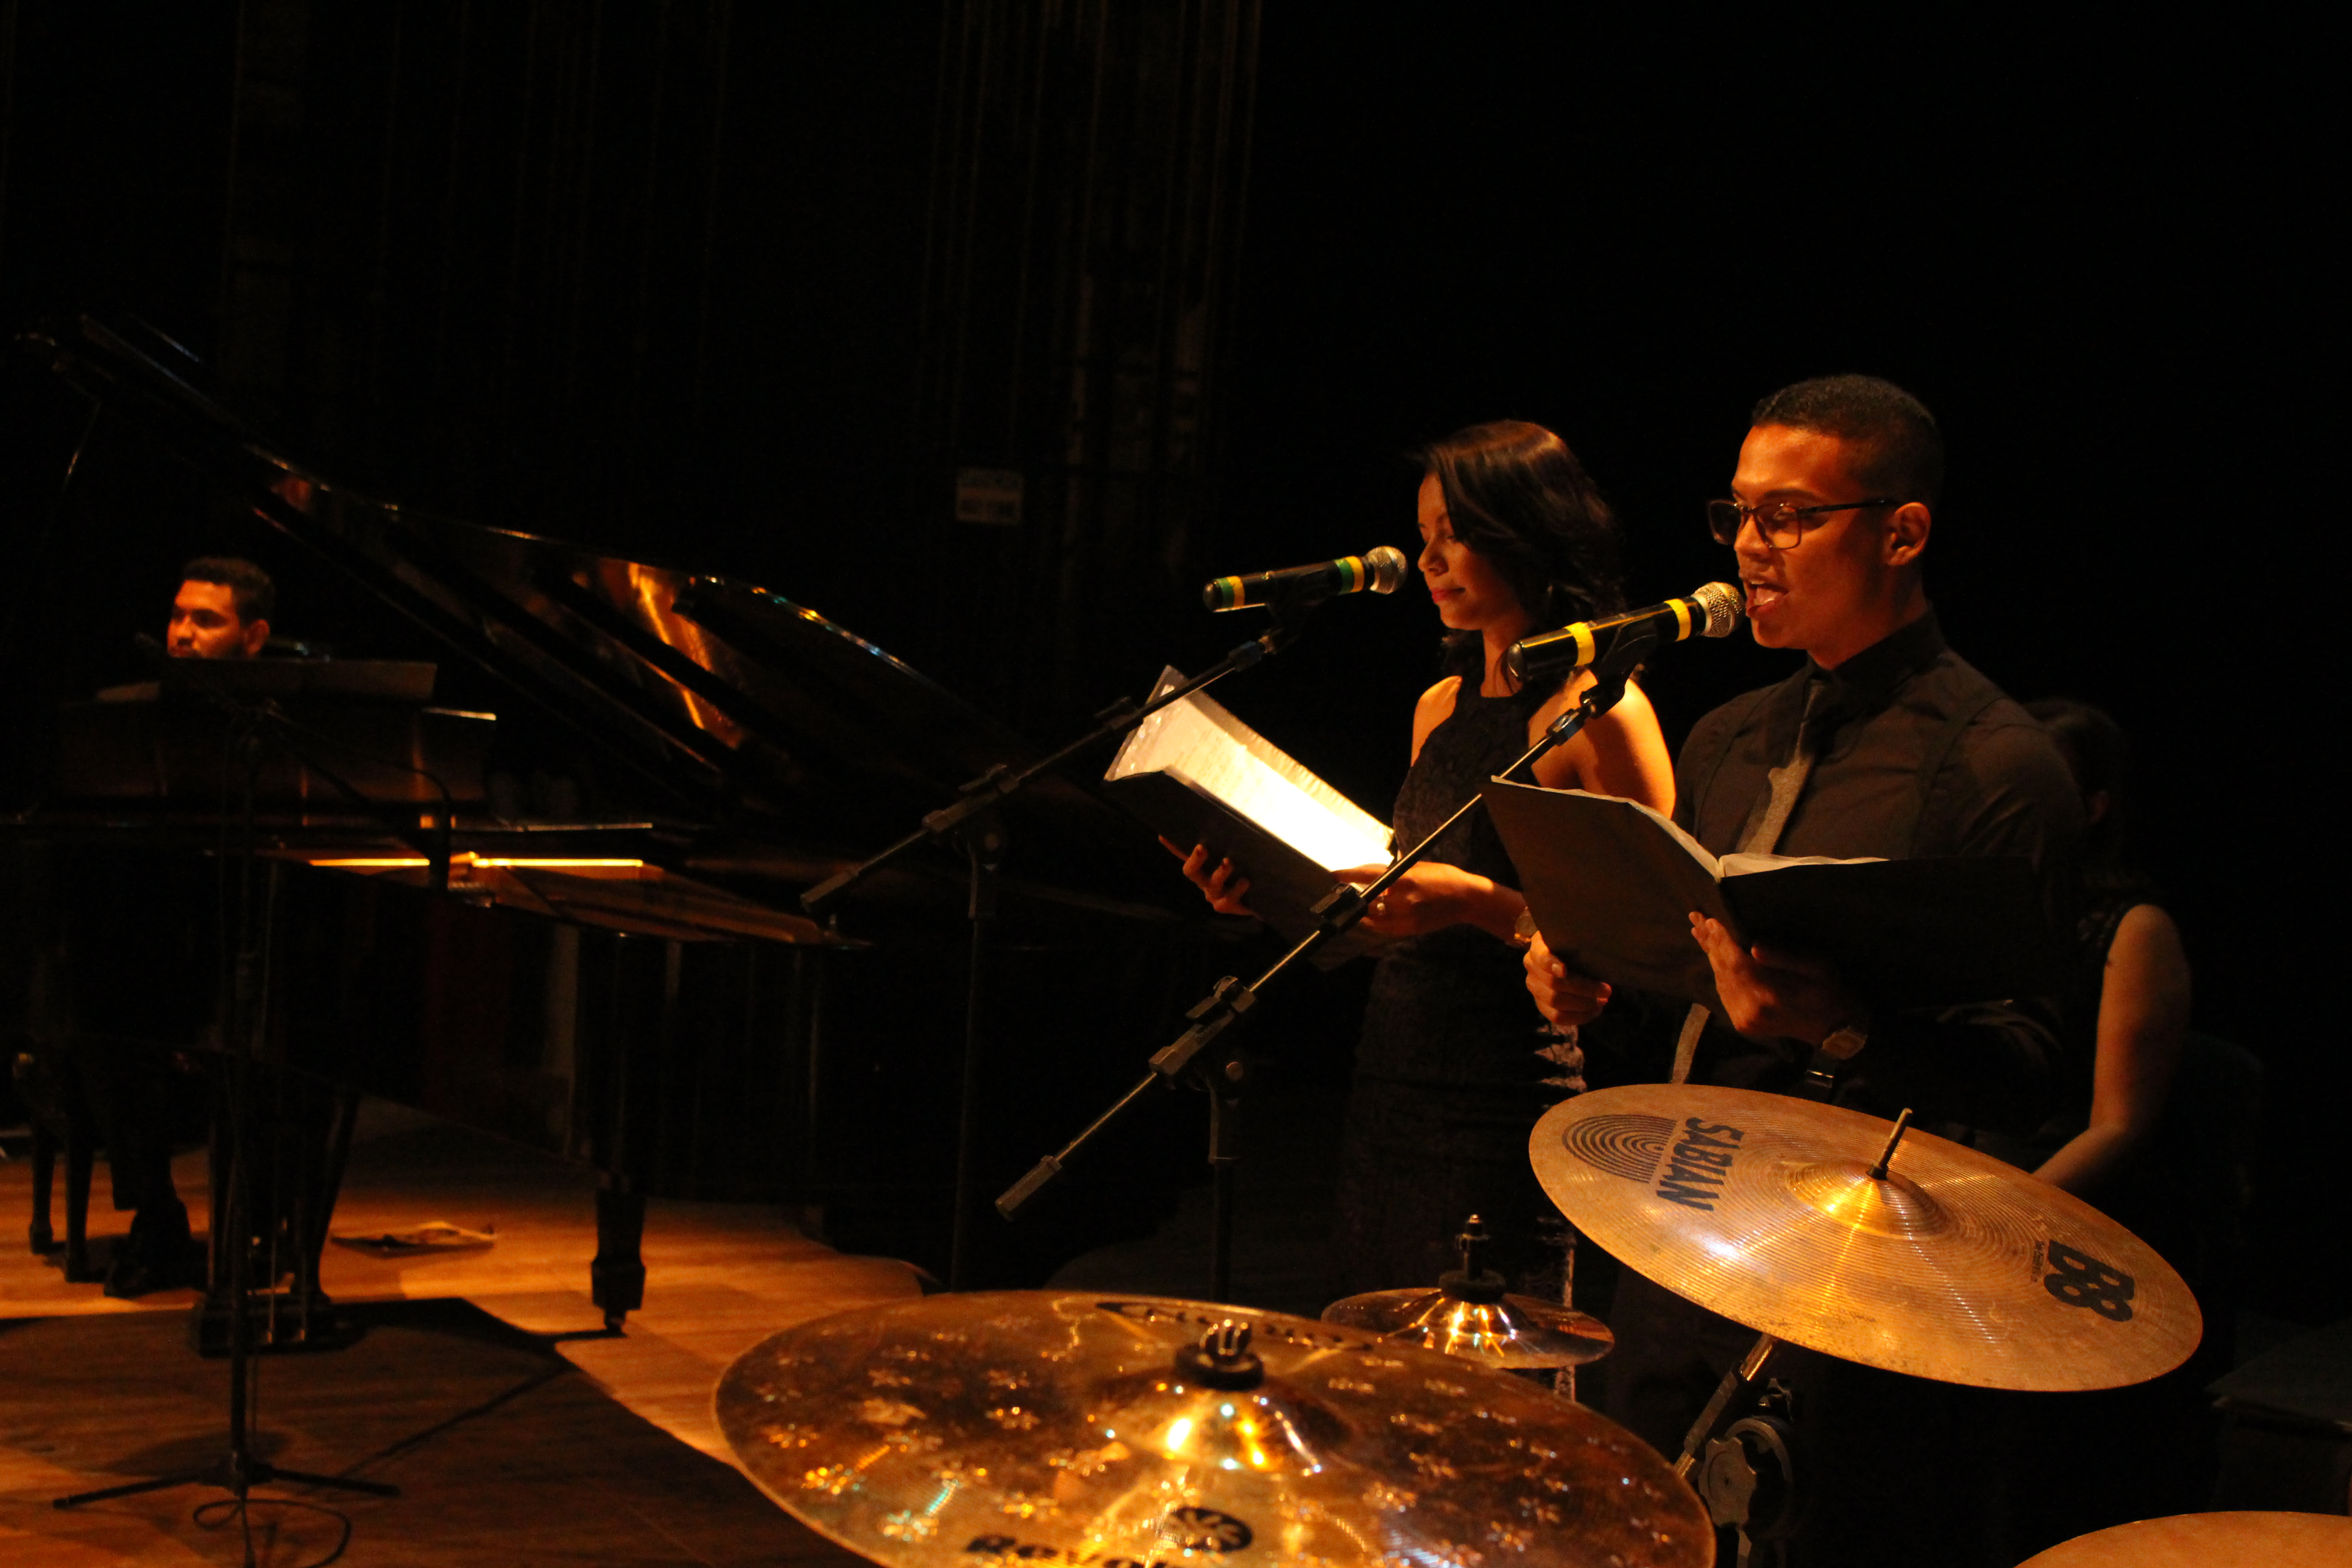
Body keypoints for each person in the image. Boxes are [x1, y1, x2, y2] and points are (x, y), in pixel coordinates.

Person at [1524, 377, 2082, 1568]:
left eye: (1787, 516)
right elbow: (1690, 1007)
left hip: (1858, 1293)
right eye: (1736, 513)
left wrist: (1843, 1031)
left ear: (1903, 532)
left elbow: (2032, 1073)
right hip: (1676, 1240)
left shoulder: (1997, 766)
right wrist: (1593, 992)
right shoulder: (1730, 735)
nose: (1747, 546)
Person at [1174, 420, 1673, 1299]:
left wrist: (1477, 902)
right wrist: (1276, 893)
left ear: (1529, 532)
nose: (1429, 560)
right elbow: (1402, 919)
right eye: (1423, 535)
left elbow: (1645, 942)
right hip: (1389, 1078)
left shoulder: (1600, 710)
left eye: (1456, 534)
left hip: (1506, 1096)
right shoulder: (1438, 705)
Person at [67, 557, 278, 1294]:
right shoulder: (125, 714)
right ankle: (156, 1214)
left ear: (255, 637)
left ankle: (265, 1221)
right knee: (99, 1023)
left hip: (262, 935)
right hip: (154, 940)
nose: (182, 633)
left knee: (282, 1036)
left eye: (206, 620)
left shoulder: (285, 729)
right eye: (178, 616)